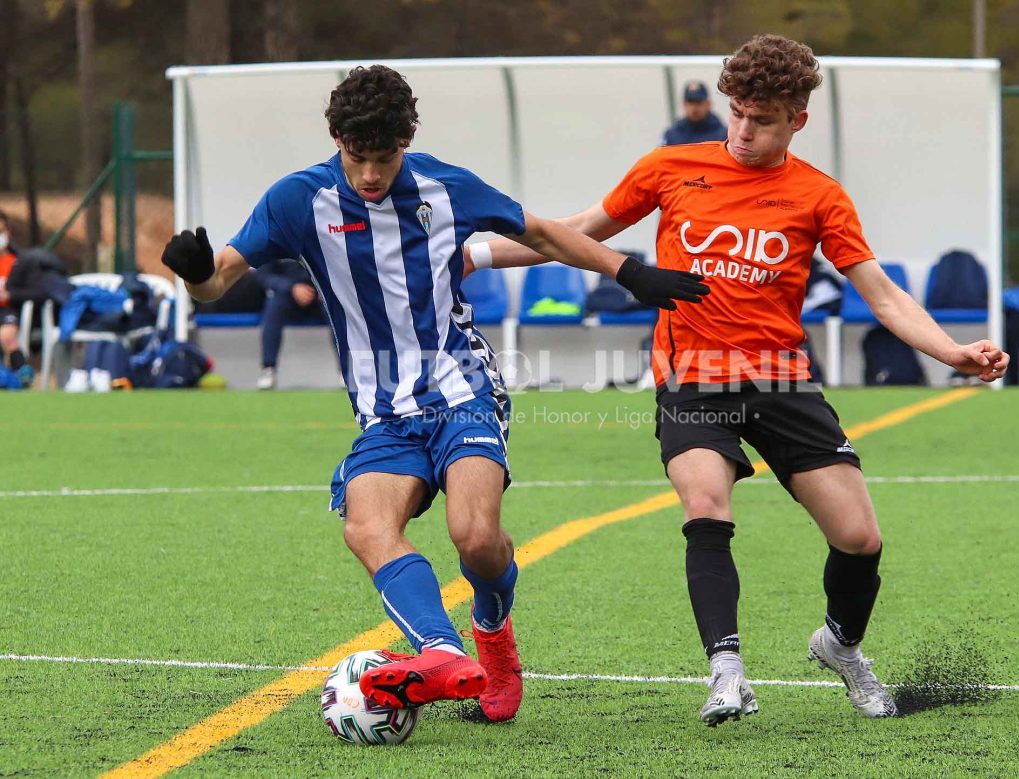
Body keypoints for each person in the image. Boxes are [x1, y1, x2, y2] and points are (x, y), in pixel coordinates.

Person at [476, 34, 1009, 725]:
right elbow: (575, 230)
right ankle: (726, 670)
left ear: (797, 120)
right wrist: (474, 255)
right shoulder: (670, 167)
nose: (743, 130)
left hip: (782, 380)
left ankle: (841, 647)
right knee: (705, 504)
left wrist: (950, 349)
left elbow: (880, 294)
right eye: (736, 113)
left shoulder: (820, 196)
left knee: (858, 538)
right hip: (692, 377)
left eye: (761, 119)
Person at [160, 65, 707, 722]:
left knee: (476, 538)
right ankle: (444, 654)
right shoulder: (296, 200)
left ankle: (492, 634)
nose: (369, 174)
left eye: (383, 158)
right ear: (335, 139)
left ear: (407, 140)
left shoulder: (445, 186)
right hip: (384, 412)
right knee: (366, 528)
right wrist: (193, 276)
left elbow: (537, 230)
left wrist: (629, 271)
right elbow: (218, 281)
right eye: (356, 157)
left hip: (463, 390)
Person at [255, 258, 329, 389]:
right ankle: (268, 369)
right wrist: (291, 287)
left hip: (320, 294)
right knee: (273, 307)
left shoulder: (325, 238)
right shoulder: (275, 240)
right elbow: (263, 275)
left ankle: (345, 370)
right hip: (287, 295)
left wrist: (324, 286)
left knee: (338, 308)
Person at [0, 210, 34, 387]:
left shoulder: (20, 261)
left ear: (8, 233)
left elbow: (36, 291)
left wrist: (11, 295)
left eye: (1, 231)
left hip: (8, 309)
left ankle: (22, 374)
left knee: (6, 335)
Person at [661, 80, 727, 146]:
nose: (694, 108)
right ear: (683, 105)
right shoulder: (672, 135)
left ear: (708, 104)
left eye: (698, 103)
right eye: (690, 103)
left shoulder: (723, 135)